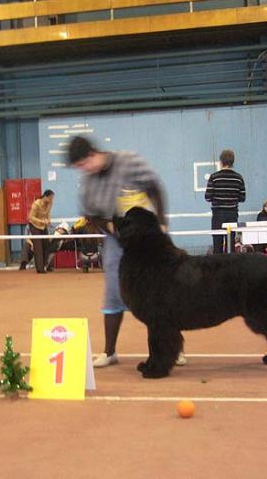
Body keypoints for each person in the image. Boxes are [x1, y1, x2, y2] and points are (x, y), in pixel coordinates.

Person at [67, 136, 186, 368]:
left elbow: (154, 188)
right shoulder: (89, 182)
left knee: (165, 294)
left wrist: (162, 221)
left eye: (83, 164)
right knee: (113, 292)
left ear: (92, 153)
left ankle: (174, 350)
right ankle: (109, 352)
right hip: (116, 241)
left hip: (150, 237)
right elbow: (90, 214)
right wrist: (110, 227)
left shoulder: (129, 161)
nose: (83, 170)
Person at [204, 150, 246, 254]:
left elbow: (208, 197)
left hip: (218, 214)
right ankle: (230, 268)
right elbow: (242, 198)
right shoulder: (239, 178)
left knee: (217, 243)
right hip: (232, 214)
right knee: (230, 244)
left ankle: (218, 268)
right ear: (233, 162)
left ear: (221, 161)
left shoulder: (214, 177)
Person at [27, 189, 55, 273]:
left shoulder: (50, 203)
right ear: (45, 197)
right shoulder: (36, 204)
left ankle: (46, 265)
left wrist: (48, 220)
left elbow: (48, 213)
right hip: (34, 225)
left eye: (52, 198)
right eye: (50, 198)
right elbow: (31, 217)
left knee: (46, 244)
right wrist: (42, 221)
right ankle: (40, 269)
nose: (51, 200)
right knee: (38, 246)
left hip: (43, 226)